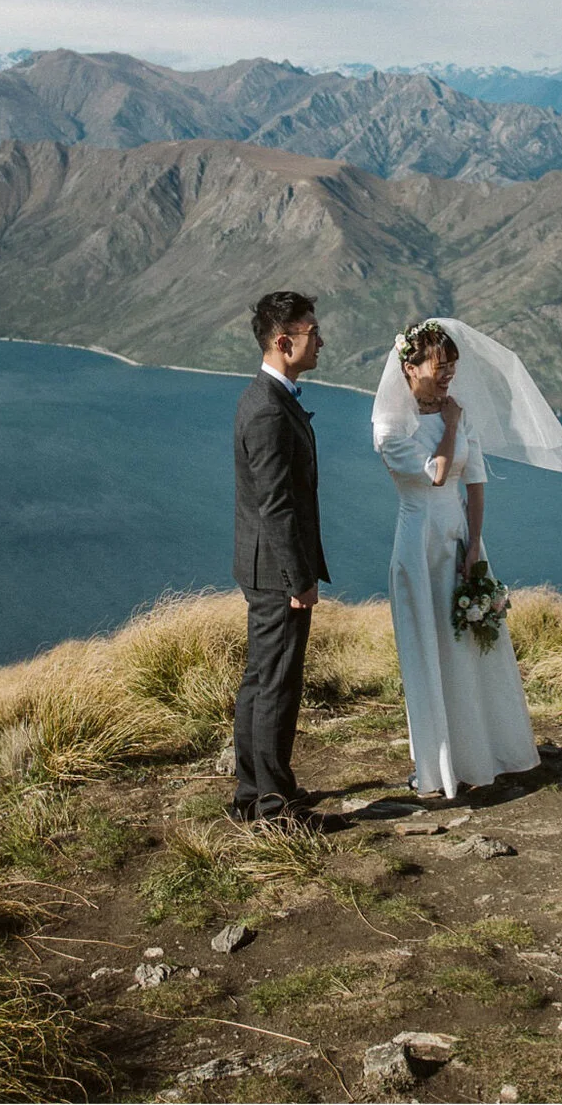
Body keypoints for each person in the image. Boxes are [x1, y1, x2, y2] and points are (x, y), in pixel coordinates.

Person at [373, 317, 562, 799]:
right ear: (410, 367)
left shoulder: (458, 413)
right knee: (432, 647)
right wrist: (452, 424)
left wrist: (475, 546)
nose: (448, 377)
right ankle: (441, 762)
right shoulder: (389, 425)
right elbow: (438, 475)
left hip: (460, 540)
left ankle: (488, 751)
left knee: (474, 647)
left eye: (452, 368)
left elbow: (475, 482)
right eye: (439, 367)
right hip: (419, 544)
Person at [230, 290, 329, 825]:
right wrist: (298, 578)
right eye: (313, 332)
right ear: (284, 341)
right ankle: (274, 805)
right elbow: (276, 505)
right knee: (276, 683)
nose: (322, 342)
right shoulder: (269, 410)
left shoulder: (265, 397)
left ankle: (253, 793)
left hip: (261, 565)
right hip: (275, 571)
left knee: (261, 678)